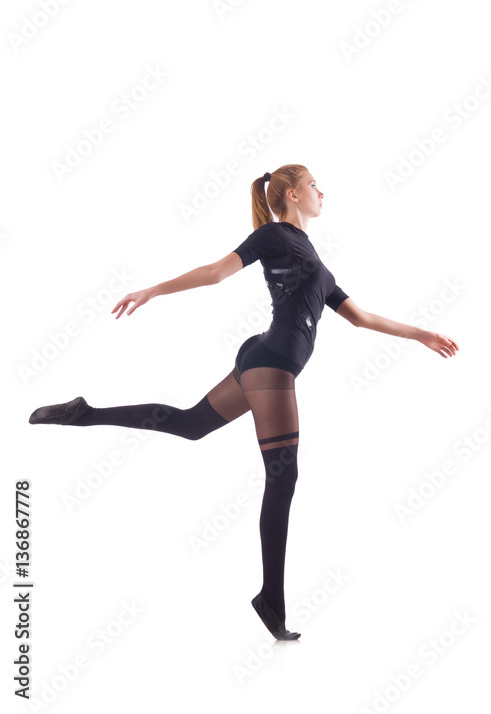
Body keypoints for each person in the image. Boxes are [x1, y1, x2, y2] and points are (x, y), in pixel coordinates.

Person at [29, 163, 459, 640]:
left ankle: (83, 414)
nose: (323, 191)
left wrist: (422, 334)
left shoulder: (313, 255)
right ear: (293, 194)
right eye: (315, 185)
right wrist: (152, 290)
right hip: (271, 362)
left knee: (191, 425)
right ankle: (271, 599)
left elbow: (359, 317)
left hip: (265, 357)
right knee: (284, 474)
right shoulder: (274, 235)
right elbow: (216, 272)